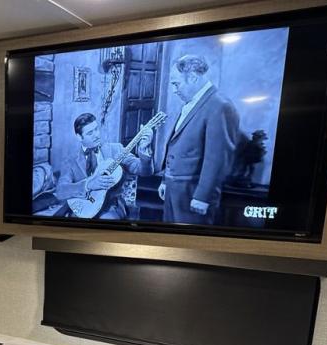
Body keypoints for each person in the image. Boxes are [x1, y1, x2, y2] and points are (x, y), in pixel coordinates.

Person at [158, 54, 240, 225]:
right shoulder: (192, 102)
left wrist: (203, 196)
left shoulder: (220, 105)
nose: (174, 90)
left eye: (176, 84)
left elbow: (217, 159)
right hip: (174, 191)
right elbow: (177, 145)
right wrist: (166, 180)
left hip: (192, 195)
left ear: (193, 78)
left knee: (187, 241)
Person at [55, 112, 154, 220]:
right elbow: (61, 191)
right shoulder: (70, 161)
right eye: (90, 133)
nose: (96, 135)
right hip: (83, 207)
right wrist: (88, 185)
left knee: (105, 223)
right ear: (79, 137)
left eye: (96, 129)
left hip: (110, 207)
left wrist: (144, 151)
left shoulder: (116, 150)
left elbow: (144, 171)